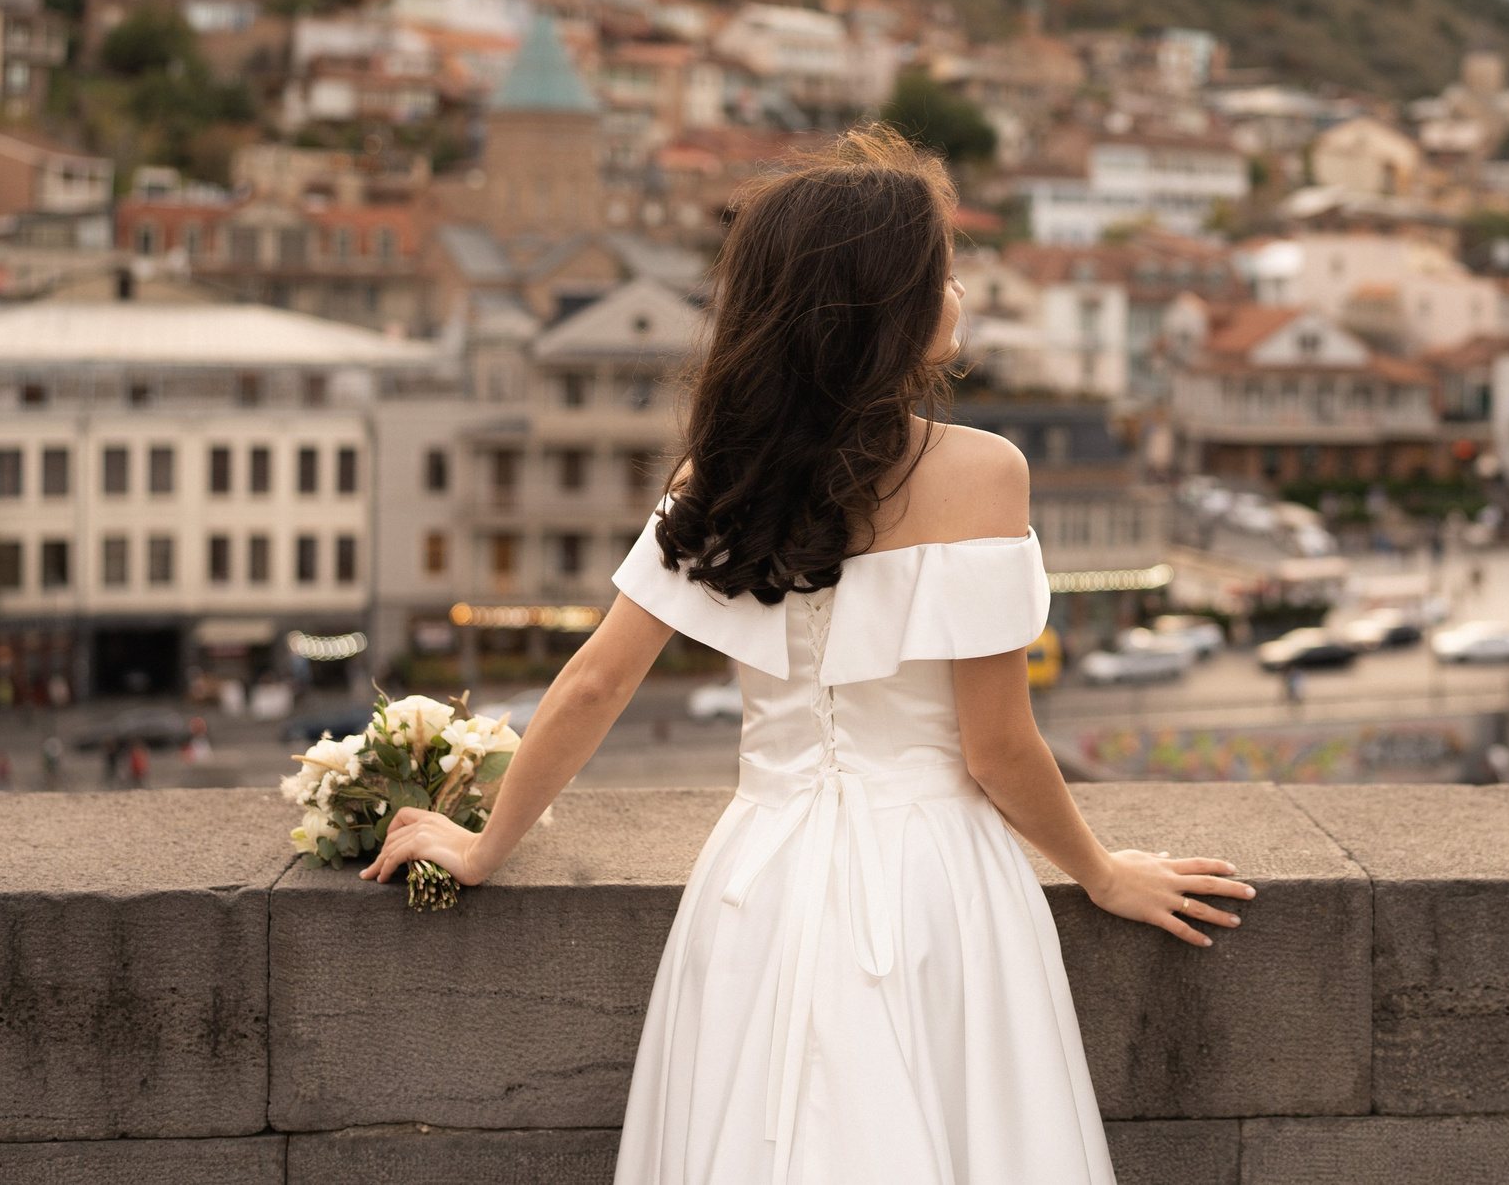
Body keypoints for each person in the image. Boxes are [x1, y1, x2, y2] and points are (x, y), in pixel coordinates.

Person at [366, 131, 1246, 1185]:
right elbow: (997, 747)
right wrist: (1100, 874)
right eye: (941, 272)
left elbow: (596, 679)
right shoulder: (983, 473)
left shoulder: (723, 475)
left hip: (761, 881)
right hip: (937, 890)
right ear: (890, 308)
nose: (958, 289)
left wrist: (482, 846)